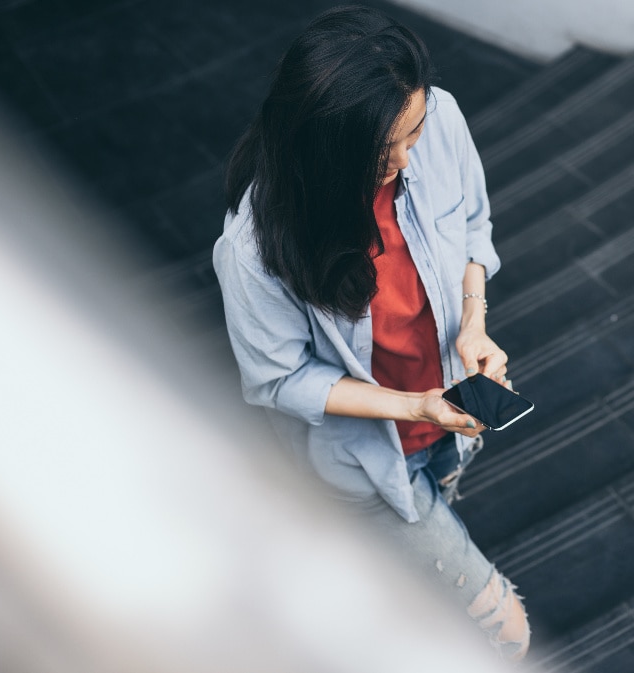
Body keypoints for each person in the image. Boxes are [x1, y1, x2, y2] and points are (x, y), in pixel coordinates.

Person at [212, 5, 530, 661]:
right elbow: (279, 378)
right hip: (366, 462)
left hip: (448, 414)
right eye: (389, 148)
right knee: (506, 626)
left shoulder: (436, 117)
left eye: (414, 132)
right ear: (329, 148)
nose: (411, 154)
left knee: (438, 495)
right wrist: (410, 406)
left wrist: (474, 321)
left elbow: (473, 221)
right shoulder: (251, 250)